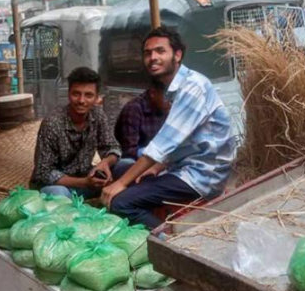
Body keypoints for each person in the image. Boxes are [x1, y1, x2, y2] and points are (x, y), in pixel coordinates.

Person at [102, 26, 236, 229]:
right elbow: (179, 143)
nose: (153, 58)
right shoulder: (174, 89)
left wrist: (120, 184)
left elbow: (162, 145)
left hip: (203, 175)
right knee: (125, 171)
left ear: (178, 55)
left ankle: (170, 243)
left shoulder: (193, 87)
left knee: (121, 202)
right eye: (148, 53)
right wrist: (155, 168)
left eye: (160, 51)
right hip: (185, 168)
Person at [31, 67, 123, 199]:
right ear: (69, 94)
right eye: (76, 94)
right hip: (58, 186)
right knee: (60, 195)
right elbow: (44, 173)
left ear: (97, 97)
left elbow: (112, 147)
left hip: (86, 180)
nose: (81, 100)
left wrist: (104, 163)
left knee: (126, 165)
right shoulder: (52, 123)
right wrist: (84, 182)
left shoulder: (98, 115)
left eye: (89, 95)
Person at [113, 81, 169, 177]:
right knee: (126, 163)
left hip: (156, 159)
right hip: (133, 160)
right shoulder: (134, 109)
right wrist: (154, 158)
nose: (171, 102)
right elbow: (129, 150)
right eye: (168, 98)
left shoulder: (165, 108)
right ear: (153, 93)